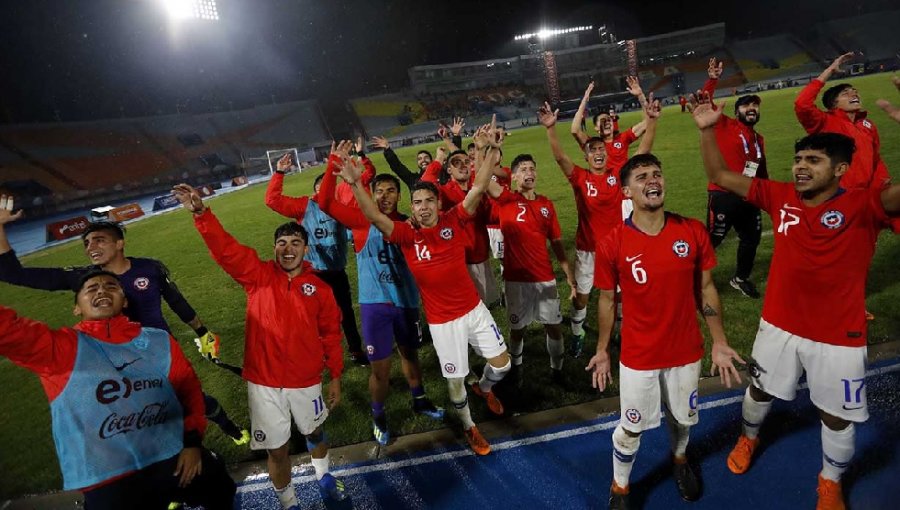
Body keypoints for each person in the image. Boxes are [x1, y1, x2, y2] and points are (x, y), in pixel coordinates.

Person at [694, 101, 900, 510]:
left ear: (840, 170)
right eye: (798, 159)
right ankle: (748, 438)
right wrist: (706, 130)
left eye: (814, 160)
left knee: (837, 415)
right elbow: (718, 176)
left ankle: (830, 481)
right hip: (778, 326)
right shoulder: (779, 194)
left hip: (839, 336)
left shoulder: (864, 204)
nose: (801, 166)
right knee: (760, 389)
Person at [0, 205, 248, 445]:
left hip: (162, 354)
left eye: (99, 240)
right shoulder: (84, 279)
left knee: (190, 400)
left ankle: (230, 429)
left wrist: (202, 332)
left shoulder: (149, 268)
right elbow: (13, 273)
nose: (91, 247)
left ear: (119, 243)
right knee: (143, 415)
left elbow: (175, 300)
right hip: (117, 364)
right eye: (86, 243)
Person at [338, 124, 511, 456]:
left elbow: (477, 187)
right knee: (455, 382)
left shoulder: (453, 220)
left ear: (437, 202)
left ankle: (485, 387)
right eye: (417, 202)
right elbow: (374, 215)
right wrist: (354, 182)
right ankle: (469, 426)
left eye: (429, 200)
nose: (423, 206)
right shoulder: (404, 234)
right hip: (443, 323)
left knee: (501, 365)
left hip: (473, 310)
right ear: (413, 207)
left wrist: (490, 151)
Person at [173, 184, 347, 509]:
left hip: (307, 380)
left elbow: (331, 335)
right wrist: (201, 214)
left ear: (306, 250)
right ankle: (289, 502)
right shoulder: (257, 276)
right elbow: (226, 251)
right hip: (264, 384)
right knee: (277, 451)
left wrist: (334, 375)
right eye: (282, 243)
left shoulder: (320, 289)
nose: (288, 248)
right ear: (274, 248)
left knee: (314, 434)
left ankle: (324, 477)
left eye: (296, 242)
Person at [0, 270, 236, 510]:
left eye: (111, 286)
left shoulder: (158, 340)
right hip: (110, 478)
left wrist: (193, 443)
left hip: (172, 457)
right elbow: (7, 329)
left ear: (124, 301)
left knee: (222, 489)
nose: (102, 290)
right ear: (77, 308)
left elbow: (188, 391)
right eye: (91, 289)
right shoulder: (58, 349)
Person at [586, 154, 745, 509]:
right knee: (630, 429)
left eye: (657, 174)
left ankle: (679, 460)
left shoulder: (691, 231)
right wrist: (602, 350)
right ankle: (621, 487)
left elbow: (706, 288)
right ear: (627, 191)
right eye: (641, 177)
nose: (652, 181)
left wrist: (719, 341)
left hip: (686, 350)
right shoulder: (613, 242)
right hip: (639, 354)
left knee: (682, 418)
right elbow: (607, 301)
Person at [317, 142, 444, 446]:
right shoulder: (362, 222)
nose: (385, 197)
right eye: (380, 191)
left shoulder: (412, 223)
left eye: (391, 191)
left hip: (407, 302)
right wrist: (333, 165)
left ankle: (420, 398)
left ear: (400, 196)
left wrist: (438, 162)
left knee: (411, 355)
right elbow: (324, 204)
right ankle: (378, 413)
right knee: (381, 370)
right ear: (371, 194)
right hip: (376, 307)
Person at [540, 91, 659, 358]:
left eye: (600, 150)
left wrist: (651, 121)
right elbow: (560, 158)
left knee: (620, 294)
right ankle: (578, 332)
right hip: (587, 251)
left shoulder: (617, 176)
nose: (598, 153)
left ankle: (618, 333)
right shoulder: (580, 178)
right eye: (592, 150)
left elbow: (643, 152)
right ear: (586, 156)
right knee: (582, 296)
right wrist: (550, 130)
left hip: (616, 248)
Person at [265, 152, 368, 366]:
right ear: (315, 191)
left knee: (346, 313)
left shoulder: (341, 207)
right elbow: (272, 200)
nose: (326, 191)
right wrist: (279, 172)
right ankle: (319, 355)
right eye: (322, 187)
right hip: (314, 274)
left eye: (329, 187)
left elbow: (357, 221)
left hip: (337, 272)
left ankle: (356, 351)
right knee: (315, 317)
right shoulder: (305, 206)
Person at [484, 153, 575, 386]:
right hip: (516, 280)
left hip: (544, 277)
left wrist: (568, 273)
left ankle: (557, 370)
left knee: (553, 327)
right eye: (523, 169)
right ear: (513, 177)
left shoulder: (546, 204)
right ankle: (517, 369)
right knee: (517, 329)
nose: (529, 173)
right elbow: (482, 179)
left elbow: (556, 242)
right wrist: (482, 151)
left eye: (532, 168)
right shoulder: (505, 200)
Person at [701, 57, 768, 298]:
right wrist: (713, 79)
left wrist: (769, 197)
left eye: (755, 106)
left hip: (749, 196)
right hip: (723, 195)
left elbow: (762, 171)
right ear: (736, 111)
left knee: (751, 238)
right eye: (746, 106)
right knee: (712, 240)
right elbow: (705, 103)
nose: (751, 109)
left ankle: (740, 278)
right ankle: (691, 279)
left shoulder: (759, 139)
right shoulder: (724, 125)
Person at [794, 52, 891, 190]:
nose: (854, 94)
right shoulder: (824, 122)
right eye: (846, 93)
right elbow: (802, 104)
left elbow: (876, 158)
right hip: (840, 196)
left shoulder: (867, 125)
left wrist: (882, 183)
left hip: (869, 195)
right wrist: (829, 71)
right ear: (833, 104)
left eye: (855, 91)